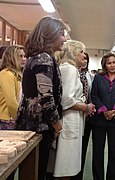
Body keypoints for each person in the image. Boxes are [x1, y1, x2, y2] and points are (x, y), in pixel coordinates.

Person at [14, 16, 69, 180]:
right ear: (49, 34)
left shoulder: (36, 57)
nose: (65, 39)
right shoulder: (43, 58)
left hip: (32, 124)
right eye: (61, 34)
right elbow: (46, 97)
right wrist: (57, 123)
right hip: (39, 126)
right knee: (36, 171)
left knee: (32, 171)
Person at [53, 40, 95, 179]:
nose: (84, 56)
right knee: (66, 167)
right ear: (73, 53)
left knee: (67, 166)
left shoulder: (68, 68)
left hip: (71, 121)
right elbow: (66, 100)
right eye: (81, 52)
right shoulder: (69, 70)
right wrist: (86, 107)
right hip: (69, 121)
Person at [91, 51, 115, 180]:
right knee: (98, 152)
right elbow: (94, 95)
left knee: (114, 152)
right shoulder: (98, 77)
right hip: (99, 121)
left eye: (114, 62)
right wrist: (103, 110)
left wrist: (114, 111)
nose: (112, 65)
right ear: (105, 65)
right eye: (109, 63)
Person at [71, 52, 94, 180]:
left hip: (87, 118)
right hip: (74, 115)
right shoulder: (71, 72)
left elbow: (92, 94)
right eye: (82, 58)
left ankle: (79, 175)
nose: (84, 61)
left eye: (86, 58)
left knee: (83, 149)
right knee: (73, 151)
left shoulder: (90, 76)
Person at [0, 45, 26, 130]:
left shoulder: (17, 75)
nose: (24, 59)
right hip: (6, 120)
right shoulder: (6, 74)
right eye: (20, 56)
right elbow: (11, 102)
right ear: (11, 57)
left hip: (12, 119)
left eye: (25, 56)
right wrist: (19, 119)